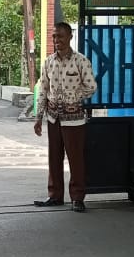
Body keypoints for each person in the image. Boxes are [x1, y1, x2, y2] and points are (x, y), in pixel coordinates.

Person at [33, 22, 97, 212]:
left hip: (74, 119)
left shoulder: (81, 61)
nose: (56, 40)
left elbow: (91, 87)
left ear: (70, 37)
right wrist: (38, 117)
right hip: (53, 118)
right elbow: (43, 90)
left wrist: (72, 97)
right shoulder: (48, 62)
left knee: (75, 159)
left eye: (60, 36)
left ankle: (77, 198)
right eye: (54, 36)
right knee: (54, 158)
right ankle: (55, 195)